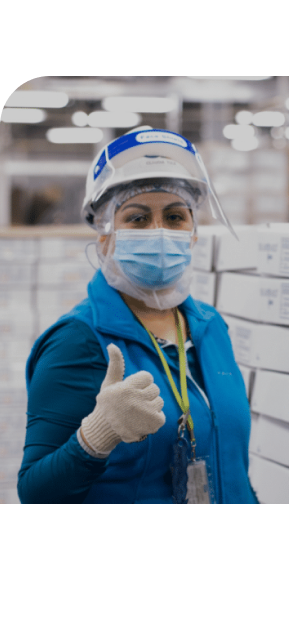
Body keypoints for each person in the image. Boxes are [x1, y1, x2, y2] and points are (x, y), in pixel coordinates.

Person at [18, 129, 262, 510]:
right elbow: (34, 492)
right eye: (138, 218)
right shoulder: (77, 339)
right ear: (105, 235)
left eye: (175, 216)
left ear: (193, 234)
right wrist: (95, 436)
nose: (159, 232)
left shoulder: (210, 326)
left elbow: (233, 467)